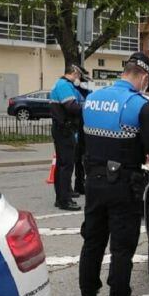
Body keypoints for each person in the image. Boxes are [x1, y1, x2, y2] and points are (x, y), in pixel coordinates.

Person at [78, 52, 149, 296]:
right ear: (143, 77)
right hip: (124, 186)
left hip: (94, 181)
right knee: (121, 249)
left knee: (92, 242)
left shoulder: (91, 100)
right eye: (147, 82)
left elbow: (82, 142)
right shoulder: (139, 105)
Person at [49, 65, 86, 210]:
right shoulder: (64, 85)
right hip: (65, 129)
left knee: (61, 165)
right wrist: (86, 109)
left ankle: (61, 198)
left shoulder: (59, 84)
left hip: (61, 128)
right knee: (66, 166)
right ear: (74, 73)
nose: (79, 79)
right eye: (79, 76)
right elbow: (71, 106)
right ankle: (64, 200)